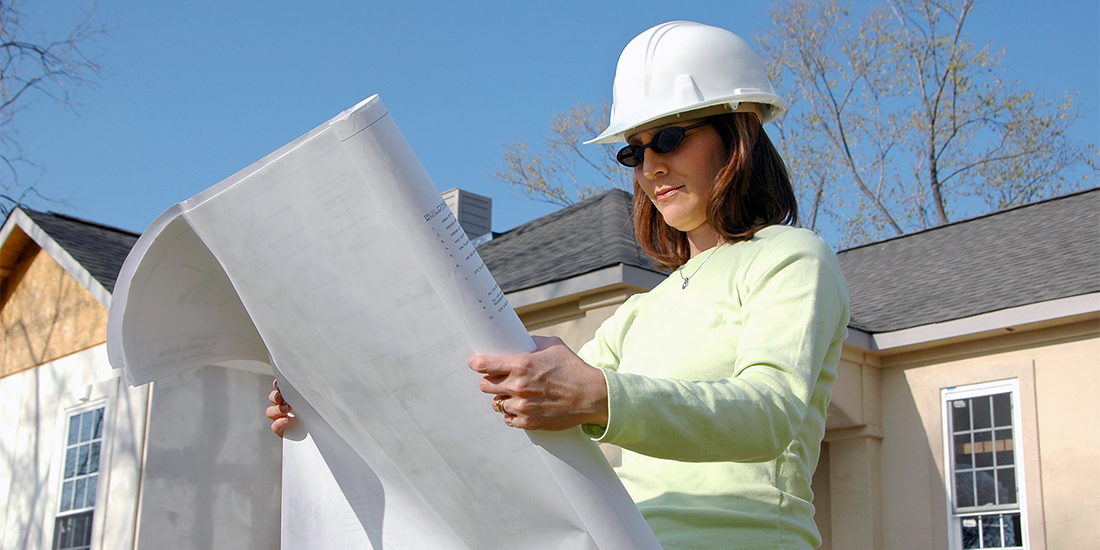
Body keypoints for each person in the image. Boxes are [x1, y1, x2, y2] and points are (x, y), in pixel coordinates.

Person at [270, 20, 849, 550]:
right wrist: (337, 408)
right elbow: (503, 424)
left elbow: (772, 415)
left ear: (736, 129)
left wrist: (598, 395)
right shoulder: (641, 314)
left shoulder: (791, 257)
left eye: (669, 138)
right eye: (634, 152)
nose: (650, 168)